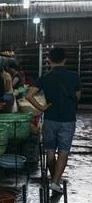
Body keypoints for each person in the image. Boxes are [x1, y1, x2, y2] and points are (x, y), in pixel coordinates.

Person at [26, 47, 81, 193]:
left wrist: (42, 108)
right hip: (68, 119)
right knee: (63, 151)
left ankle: (54, 179)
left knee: (50, 151)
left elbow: (29, 95)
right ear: (65, 60)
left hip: (50, 119)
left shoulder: (45, 78)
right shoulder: (74, 76)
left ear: (49, 60)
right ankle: (55, 182)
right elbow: (78, 97)